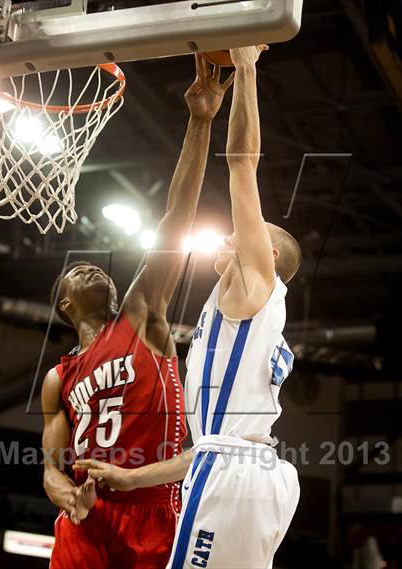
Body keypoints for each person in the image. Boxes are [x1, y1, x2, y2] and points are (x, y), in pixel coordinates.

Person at [75, 45, 302, 569]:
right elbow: (206, 448)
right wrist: (131, 478)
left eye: (243, 234)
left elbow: (243, 167)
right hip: (242, 467)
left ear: (263, 255)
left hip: (234, 474)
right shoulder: (242, 314)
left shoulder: (254, 283)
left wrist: (246, 66)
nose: (228, 233)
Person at [42, 54, 234, 569]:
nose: (92, 270)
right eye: (77, 273)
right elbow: (50, 469)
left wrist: (199, 120)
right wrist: (66, 496)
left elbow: (176, 220)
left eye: (96, 269)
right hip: (87, 518)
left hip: (150, 511)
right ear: (65, 305)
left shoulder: (138, 315)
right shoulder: (59, 377)